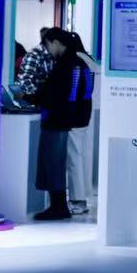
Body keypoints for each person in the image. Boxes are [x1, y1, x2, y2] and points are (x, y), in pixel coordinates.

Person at [31, 29, 94, 221]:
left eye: (48, 45)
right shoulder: (82, 62)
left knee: (61, 163)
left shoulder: (67, 65)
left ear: (56, 42)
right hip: (79, 118)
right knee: (74, 160)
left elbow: (60, 94)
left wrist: (33, 98)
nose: (48, 50)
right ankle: (75, 201)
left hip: (64, 121)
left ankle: (70, 203)